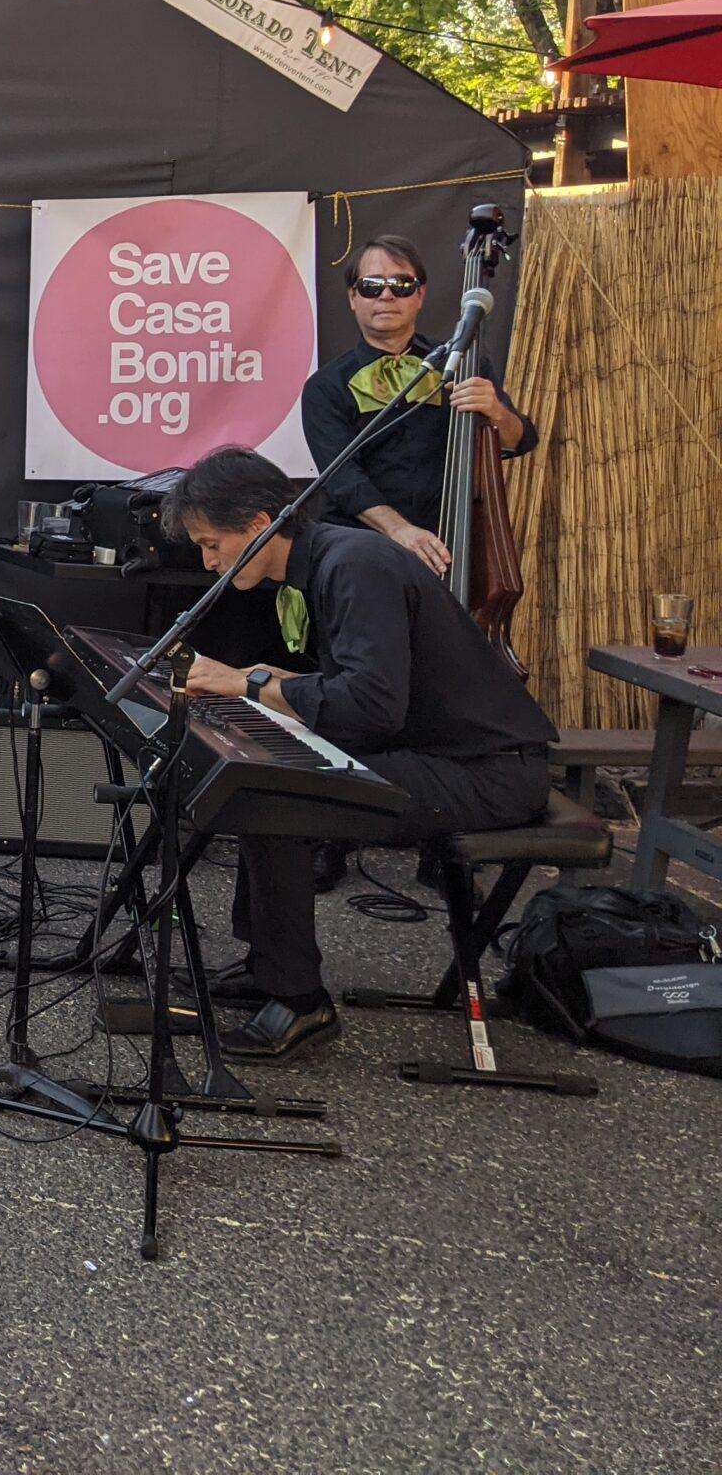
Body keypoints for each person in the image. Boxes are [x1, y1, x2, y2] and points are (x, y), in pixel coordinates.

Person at [165, 446, 557, 1059]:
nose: (208, 560)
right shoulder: (329, 558)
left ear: (263, 520)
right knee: (260, 778)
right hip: (445, 754)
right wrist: (272, 684)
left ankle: (300, 1003)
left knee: (280, 797)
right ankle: (268, 966)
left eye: (213, 542)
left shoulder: (354, 565)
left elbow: (373, 707)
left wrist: (251, 684)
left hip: (489, 772)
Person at [301, 234, 535, 579]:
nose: (386, 295)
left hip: (454, 542)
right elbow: (342, 479)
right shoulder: (325, 387)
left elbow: (522, 440)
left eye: (401, 284)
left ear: (420, 295)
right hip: (363, 549)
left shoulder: (464, 363)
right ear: (353, 297)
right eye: (370, 286)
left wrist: (497, 413)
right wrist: (399, 531)